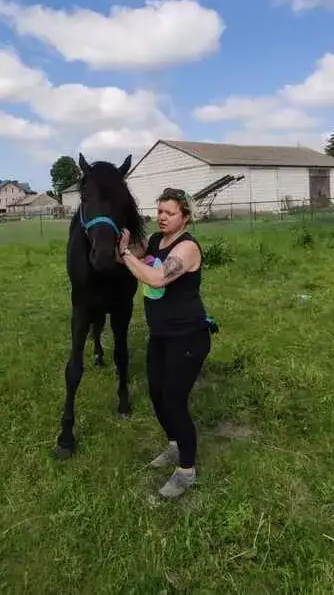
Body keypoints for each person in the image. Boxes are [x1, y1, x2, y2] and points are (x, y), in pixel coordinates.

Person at [116, 187, 211, 499]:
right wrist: (122, 240)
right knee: (156, 395)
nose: (162, 218)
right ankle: (175, 444)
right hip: (161, 336)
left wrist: (127, 255)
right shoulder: (158, 241)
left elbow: (156, 279)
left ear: (184, 216)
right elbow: (139, 252)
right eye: (159, 212)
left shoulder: (187, 248)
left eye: (169, 213)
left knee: (174, 400)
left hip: (188, 337)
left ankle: (186, 470)